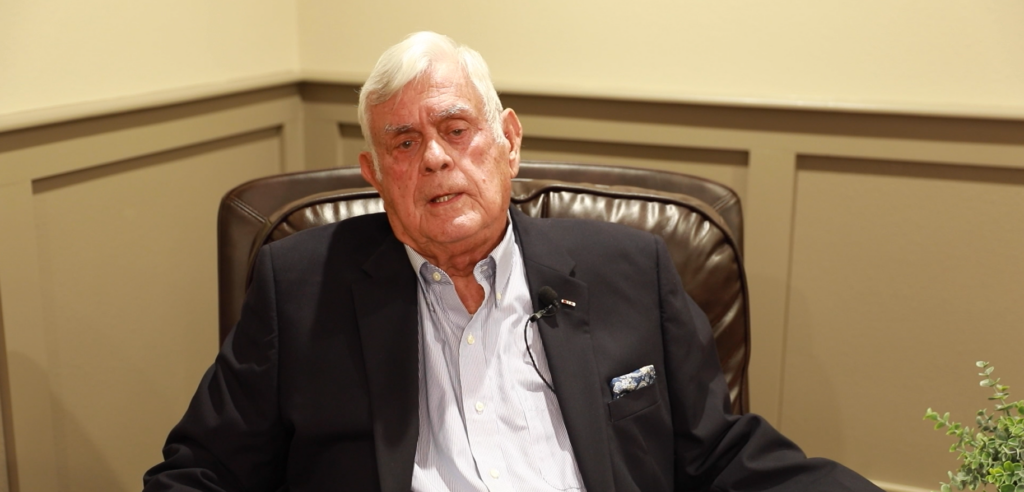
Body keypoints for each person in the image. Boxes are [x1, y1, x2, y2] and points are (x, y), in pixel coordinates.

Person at [144, 32, 882, 492]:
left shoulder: (633, 271)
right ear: (375, 175)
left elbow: (722, 454)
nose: (435, 158)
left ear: (509, 141)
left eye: (456, 128)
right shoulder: (300, 287)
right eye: (404, 143)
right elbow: (201, 471)